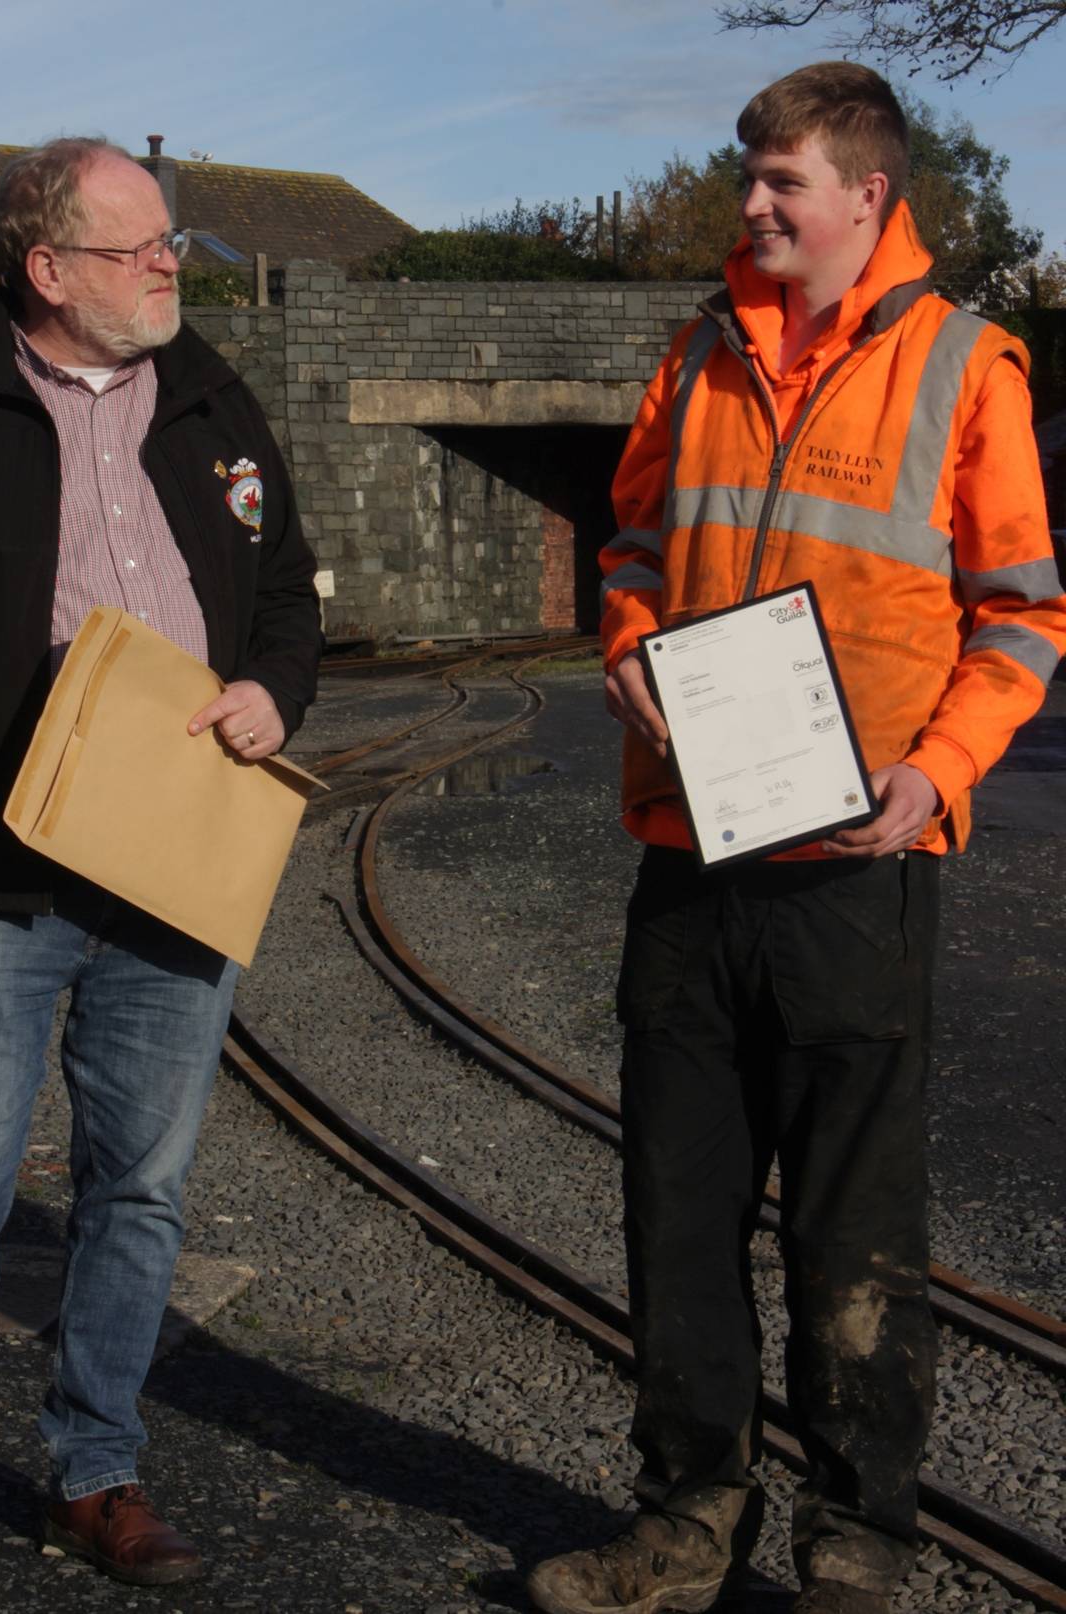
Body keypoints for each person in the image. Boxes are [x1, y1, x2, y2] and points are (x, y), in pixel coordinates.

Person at [528, 62, 1066, 1614]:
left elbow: (1026, 614)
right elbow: (631, 544)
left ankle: (861, 1536)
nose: (750, 203)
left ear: (865, 197)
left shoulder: (969, 369)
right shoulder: (695, 351)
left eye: (779, 182)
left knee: (856, 1222)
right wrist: (624, 638)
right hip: (690, 854)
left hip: (859, 868)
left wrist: (944, 767)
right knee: (676, 1206)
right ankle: (687, 1515)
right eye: (747, 175)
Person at [0, 137, 321, 1614]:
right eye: (141, 245)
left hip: (175, 870)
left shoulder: (213, 398)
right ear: (48, 270)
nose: (172, 262)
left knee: (141, 1192)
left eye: (170, 243)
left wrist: (276, 689)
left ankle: (98, 1470)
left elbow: (287, 592)